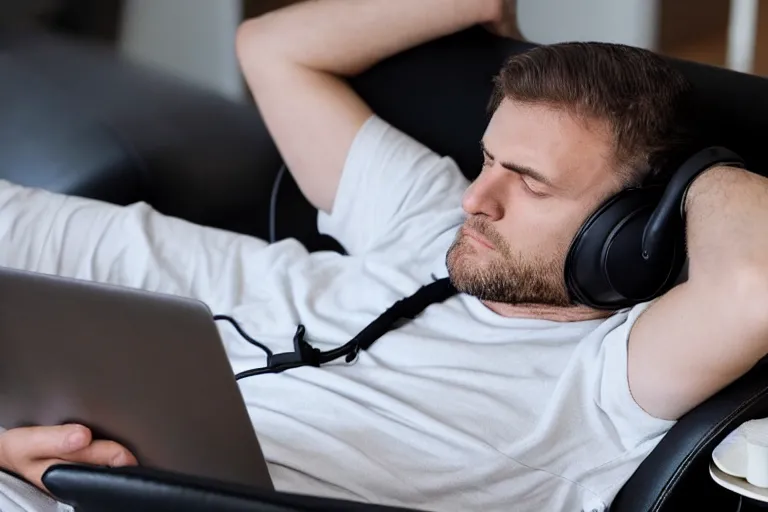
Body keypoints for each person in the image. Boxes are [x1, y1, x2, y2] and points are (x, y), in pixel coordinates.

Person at [2, 0, 768, 511]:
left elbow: (754, 283)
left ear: (625, 230)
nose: (479, 198)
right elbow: (273, 49)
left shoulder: (611, 373)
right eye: (488, 159)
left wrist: (702, 170)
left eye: (529, 183)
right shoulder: (428, 214)